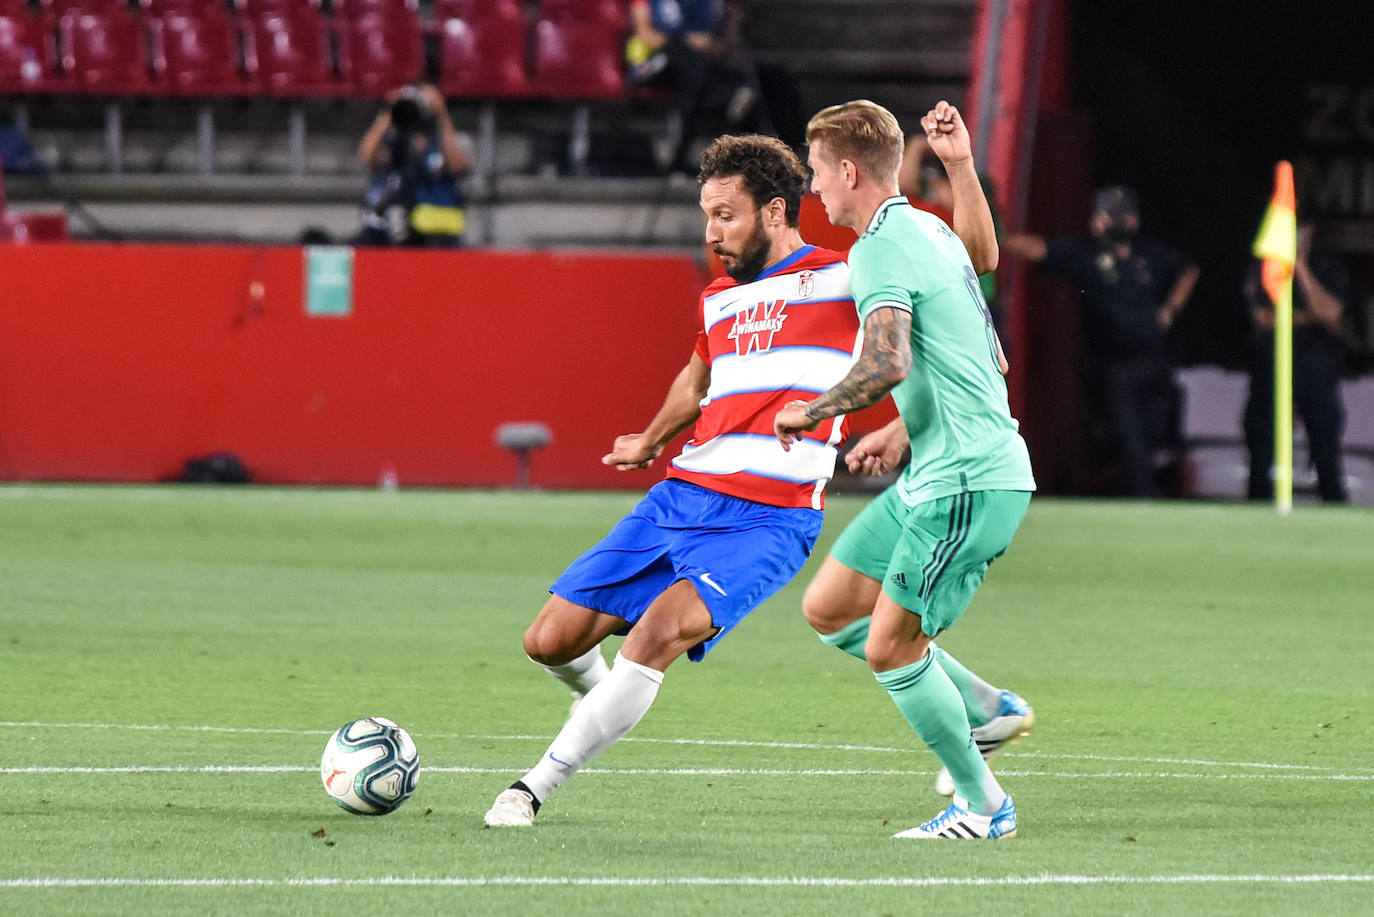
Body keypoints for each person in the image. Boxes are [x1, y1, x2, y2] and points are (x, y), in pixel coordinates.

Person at [482, 133, 865, 828]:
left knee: (656, 633)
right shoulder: (718, 298)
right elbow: (697, 380)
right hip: (680, 498)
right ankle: (601, 707)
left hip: (767, 518)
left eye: (726, 215)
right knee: (547, 641)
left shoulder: (846, 277)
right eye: (706, 214)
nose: (711, 232)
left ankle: (531, 787)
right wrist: (651, 438)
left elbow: (941, 313)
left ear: (776, 211)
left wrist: (957, 169)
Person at [774, 99, 1037, 840]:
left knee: (891, 644)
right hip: (933, 470)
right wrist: (897, 429)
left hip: (967, 480)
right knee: (830, 606)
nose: (814, 187)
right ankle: (987, 709)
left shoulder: (880, 249)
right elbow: (983, 278)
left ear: (849, 170)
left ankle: (984, 806)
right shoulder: (925, 225)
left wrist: (813, 410)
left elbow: (888, 358)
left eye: (818, 170)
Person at [1003, 187, 1199, 497]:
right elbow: (1036, 249)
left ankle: (1151, 494)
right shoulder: (1086, 254)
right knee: (1129, 438)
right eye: (1111, 215)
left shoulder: (1150, 255)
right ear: (1097, 220)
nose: (1118, 221)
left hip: (1155, 361)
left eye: (1124, 215)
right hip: (1115, 366)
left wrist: (1171, 309)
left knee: (1157, 436)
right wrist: (989, 236)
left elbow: (1188, 269)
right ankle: (1141, 502)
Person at [1242, 222, 1350, 503]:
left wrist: (1300, 266)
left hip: (1316, 368)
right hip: (1272, 366)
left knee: (1325, 447)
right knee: (1262, 446)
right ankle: (1257, 511)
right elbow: (1264, 318)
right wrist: (1309, 317)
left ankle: (1335, 511)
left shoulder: (1328, 269)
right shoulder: (1263, 267)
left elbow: (1330, 313)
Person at [627, 0, 755, 175]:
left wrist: (706, 43)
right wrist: (686, 40)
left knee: (693, 85)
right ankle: (727, 94)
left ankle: (677, 163)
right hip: (653, 64)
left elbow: (724, 45)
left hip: (689, 71)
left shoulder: (701, 5)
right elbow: (646, 35)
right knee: (687, 63)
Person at [353, 82, 471, 248]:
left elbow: (458, 166)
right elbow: (367, 156)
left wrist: (441, 114)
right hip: (401, 229)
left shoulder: (447, 138)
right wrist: (389, 112)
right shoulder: (398, 141)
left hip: (441, 235)